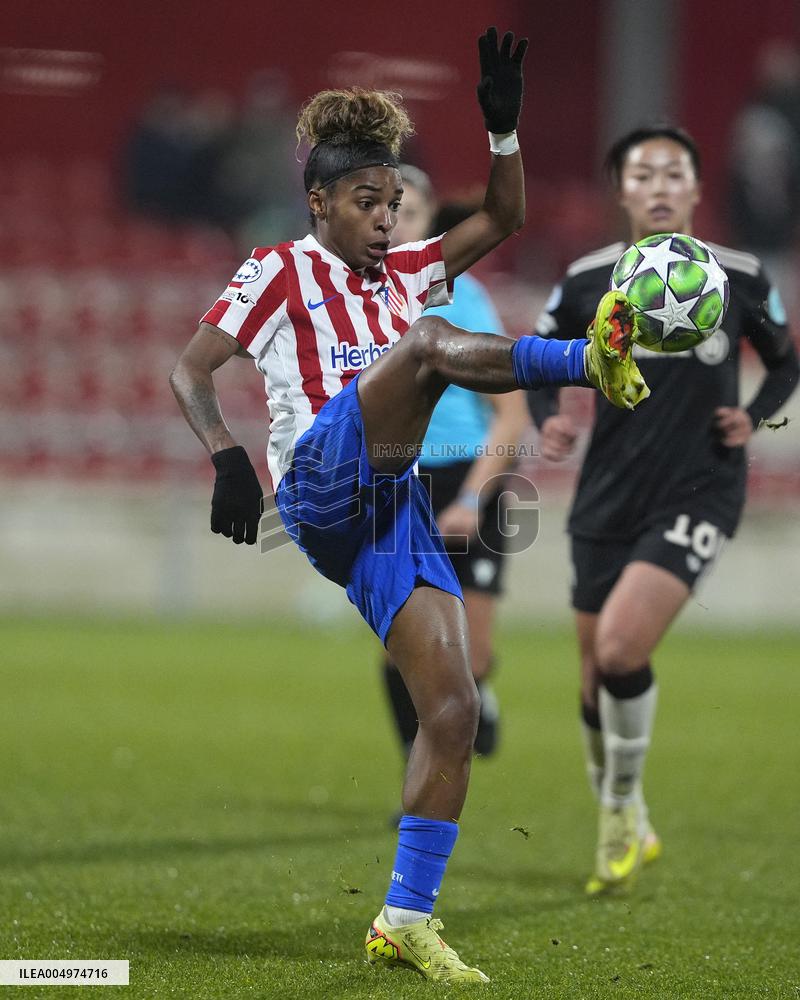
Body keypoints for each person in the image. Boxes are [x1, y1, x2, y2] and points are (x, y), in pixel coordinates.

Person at [170, 28, 649, 984]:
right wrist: (227, 458)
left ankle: (404, 918)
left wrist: (502, 133)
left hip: (387, 507)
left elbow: (503, 217)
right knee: (430, 341)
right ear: (319, 203)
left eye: (394, 201)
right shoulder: (277, 272)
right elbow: (190, 370)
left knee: (456, 707)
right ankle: (590, 361)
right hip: (318, 479)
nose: (388, 219)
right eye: (366, 201)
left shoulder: (411, 271)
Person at [528, 124, 799, 897]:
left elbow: (786, 362)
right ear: (621, 192)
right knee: (590, 679)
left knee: (619, 649)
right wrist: (549, 411)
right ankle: (626, 815)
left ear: (695, 190)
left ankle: (618, 809)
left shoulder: (740, 274)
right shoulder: (585, 278)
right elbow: (540, 358)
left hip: (700, 488)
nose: (657, 186)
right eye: (641, 174)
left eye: (672, 172)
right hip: (607, 491)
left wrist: (756, 416)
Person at [380, 167, 530, 768]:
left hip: (470, 478)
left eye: (408, 212)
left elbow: (512, 416)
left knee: (470, 656)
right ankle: (420, 779)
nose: (394, 225)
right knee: (403, 653)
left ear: (430, 221)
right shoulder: (357, 304)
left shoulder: (462, 299)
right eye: (385, 210)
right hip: (399, 483)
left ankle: (479, 695)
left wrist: (471, 499)